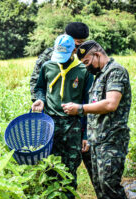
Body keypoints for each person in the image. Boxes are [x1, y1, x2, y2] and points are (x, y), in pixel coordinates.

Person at [62, 40, 132, 199]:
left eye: (87, 62)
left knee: (110, 187)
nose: (86, 67)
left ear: (97, 55)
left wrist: (80, 108)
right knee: (100, 187)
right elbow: (95, 107)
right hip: (97, 142)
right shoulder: (99, 76)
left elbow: (110, 104)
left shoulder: (115, 71)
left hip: (111, 141)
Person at [30, 21, 93, 183]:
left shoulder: (84, 70)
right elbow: (39, 87)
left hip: (73, 126)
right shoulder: (48, 64)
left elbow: (89, 103)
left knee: (70, 171)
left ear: (74, 49)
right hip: (50, 124)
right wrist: (40, 100)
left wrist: (86, 134)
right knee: (49, 167)